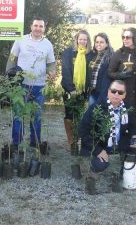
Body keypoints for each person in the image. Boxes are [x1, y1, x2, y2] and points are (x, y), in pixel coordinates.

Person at [79, 80, 136, 194]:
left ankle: (125, 173)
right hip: (100, 144)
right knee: (101, 163)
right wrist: (98, 150)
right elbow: (82, 130)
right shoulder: (97, 108)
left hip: (117, 142)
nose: (116, 94)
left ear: (124, 95)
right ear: (108, 92)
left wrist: (134, 145)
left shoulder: (127, 108)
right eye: (113, 91)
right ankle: (91, 178)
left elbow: (134, 128)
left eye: (120, 92)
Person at [6, 18, 56, 146]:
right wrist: (9, 76)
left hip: (39, 86)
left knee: (37, 116)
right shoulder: (20, 40)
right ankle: (16, 144)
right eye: (36, 25)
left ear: (44, 28)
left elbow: (51, 63)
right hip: (21, 86)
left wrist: (52, 72)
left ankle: (35, 143)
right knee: (18, 115)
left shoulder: (48, 44)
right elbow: (12, 58)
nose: (38, 28)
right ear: (31, 26)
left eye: (41, 26)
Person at [108, 27, 136, 132]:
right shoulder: (119, 53)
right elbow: (110, 73)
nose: (125, 39)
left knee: (133, 127)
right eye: (123, 37)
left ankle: (131, 146)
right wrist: (122, 75)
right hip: (121, 97)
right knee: (119, 126)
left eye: (128, 37)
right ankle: (118, 147)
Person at [61, 29, 93, 151]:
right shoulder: (69, 52)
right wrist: (71, 89)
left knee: (81, 114)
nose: (82, 41)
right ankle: (71, 140)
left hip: (84, 90)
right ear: (76, 39)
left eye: (85, 39)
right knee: (69, 113)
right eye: (80, 39)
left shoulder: (90, 54)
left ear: (88, 41)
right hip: (69, 89)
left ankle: (78, 138)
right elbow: (66, 71)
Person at [88, 32, 114, 106]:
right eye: (97, 42)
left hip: (104, 92)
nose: (98, 44)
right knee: (91, 114)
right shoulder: (94, 55)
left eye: (101, 42)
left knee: (101, 114)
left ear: (107, 43)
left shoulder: (111, 57)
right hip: (93, 92)